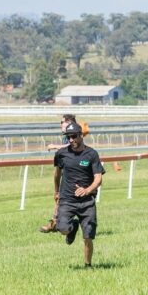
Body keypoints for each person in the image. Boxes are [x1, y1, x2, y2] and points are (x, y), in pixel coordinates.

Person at [53, 121, 103, 267]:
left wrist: (87, 190)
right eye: (68, 137)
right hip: (67, 200)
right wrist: (56, 191)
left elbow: (98, 178)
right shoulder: (61, 154)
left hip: (87, 201)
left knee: (88, 236)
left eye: (74, 136)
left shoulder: (91, 154)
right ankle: (72, 226)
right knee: (62, 229)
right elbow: (56, 175)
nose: (71, 140)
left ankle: (88, 265)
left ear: (81, 135)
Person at [40, 113, 88, 233]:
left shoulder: (74, 134)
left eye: (62, 122)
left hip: (77, 173)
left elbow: (70, 146)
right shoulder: (67, 134)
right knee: (60, 197)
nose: (60, 125)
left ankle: (66, 223)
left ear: (69, 122)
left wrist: (55, 146)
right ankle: (55, 222)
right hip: (67, 171)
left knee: (66, 198)